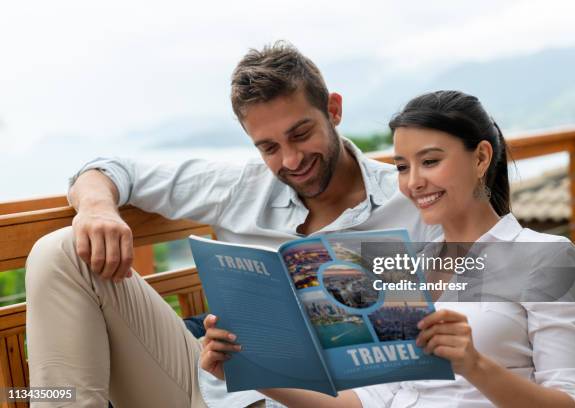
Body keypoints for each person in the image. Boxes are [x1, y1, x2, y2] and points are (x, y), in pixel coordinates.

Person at [24, 42, 439, 408]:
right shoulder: (241, 186)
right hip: (210, 392)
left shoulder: (412, 201)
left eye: (301, 134)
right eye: (269, 147)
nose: (291, 160)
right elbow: (108, 169)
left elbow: (477, 303)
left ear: (333, 109)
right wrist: (97, 209)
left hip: (346, 402)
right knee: (59, 250)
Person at [201, 90, 575, 407]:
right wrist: (251, 369)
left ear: (480, 157)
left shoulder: (544, 256)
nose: (412, 183)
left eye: (430, 161)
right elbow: (371, 399)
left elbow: (574, 400)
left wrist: (474, 365)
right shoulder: (402, 265)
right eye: (403, 166)